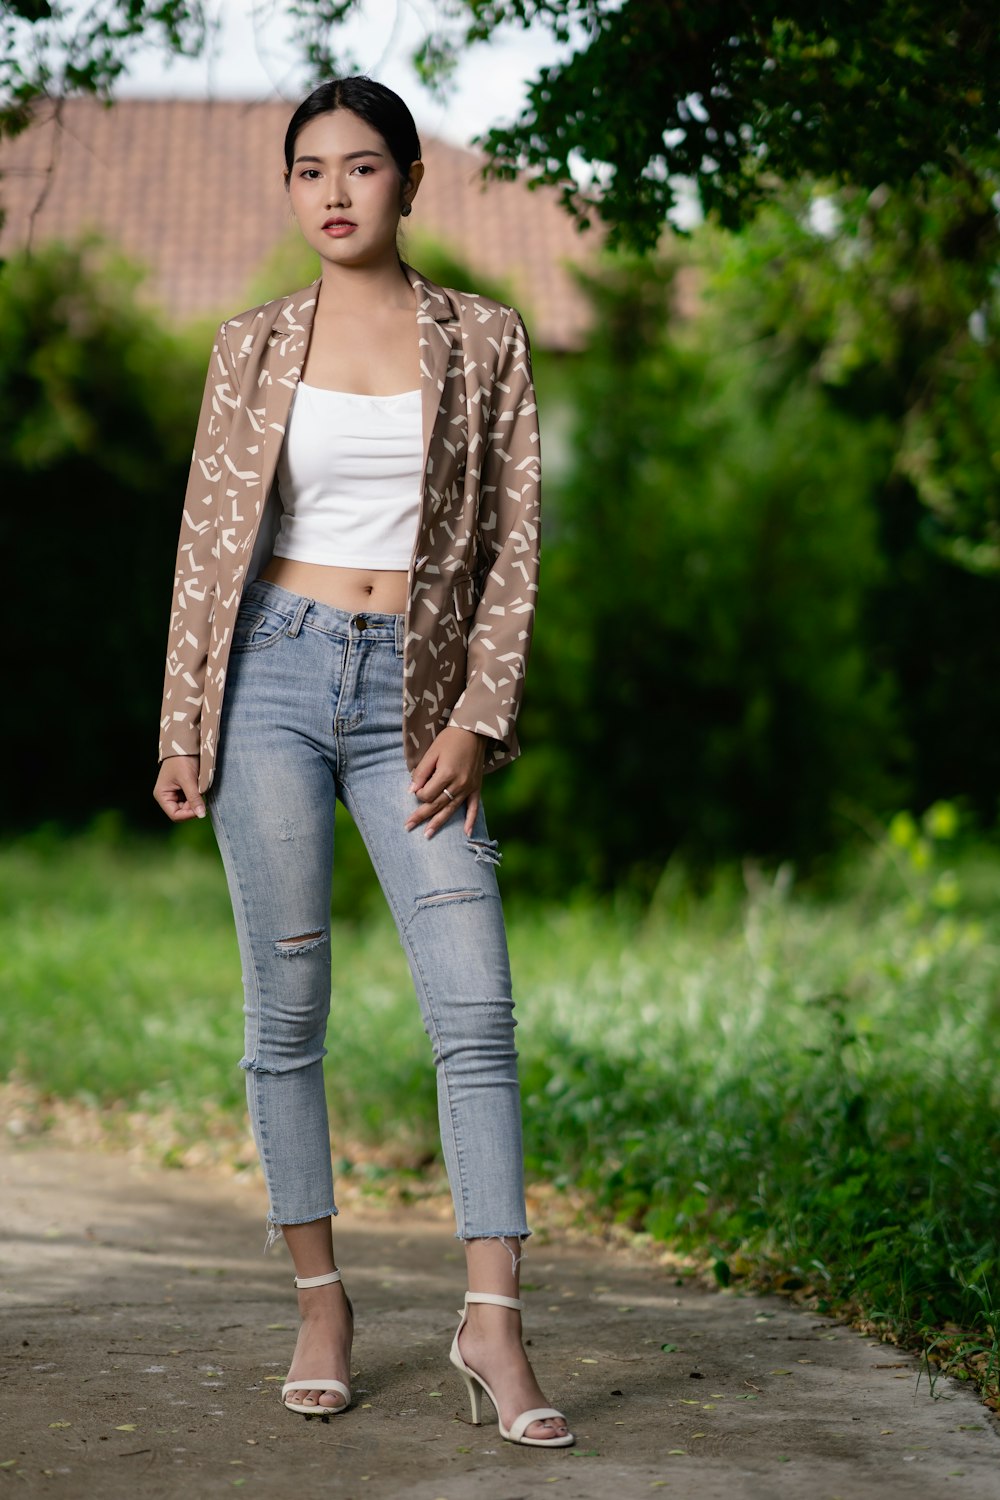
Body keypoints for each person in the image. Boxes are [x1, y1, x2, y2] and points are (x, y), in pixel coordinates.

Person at [152, 77, 572, 1448]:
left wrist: (477, 715)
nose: (335, 192)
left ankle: (493, 1326)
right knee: (288, 1008)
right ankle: (321, 1301)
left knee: (477, 1006)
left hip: (419, 696)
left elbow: (514, 551)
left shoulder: (486, 339)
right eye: (310, 170)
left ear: (409, 183)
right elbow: (209, 548)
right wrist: (185, 722)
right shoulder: (251, 344)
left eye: (364, 168)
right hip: (270, 672)